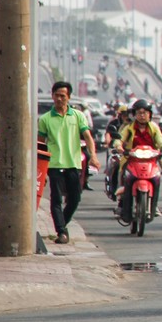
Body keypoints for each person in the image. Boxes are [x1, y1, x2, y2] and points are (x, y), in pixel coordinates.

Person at [38, 80, 97, 244]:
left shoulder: (77, 116)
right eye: (56, 95)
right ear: (52, 96)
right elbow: (41, 144)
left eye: (62, 96)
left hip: (73, 164)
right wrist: (40, 169)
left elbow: (87, 137)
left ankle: (62, 222)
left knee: (75, 199)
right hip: (54, 165)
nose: (59, 99)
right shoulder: (45, 119)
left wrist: (93, 156)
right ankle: (62, 232)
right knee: (56, 199)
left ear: (68, 98)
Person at [116, 100, 162, 224]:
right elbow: (119, 139)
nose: (142, 115)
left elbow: (161, 140)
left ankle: (154, 206)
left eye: (145, 113)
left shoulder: (154, 128)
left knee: (156, 179)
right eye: (139, 113)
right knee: (125, 178)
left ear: (150, 114)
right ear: (134, 114)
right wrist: (119, 146)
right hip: (131, 160)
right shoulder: (129, 128)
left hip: (150, 161)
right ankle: (123, 205)